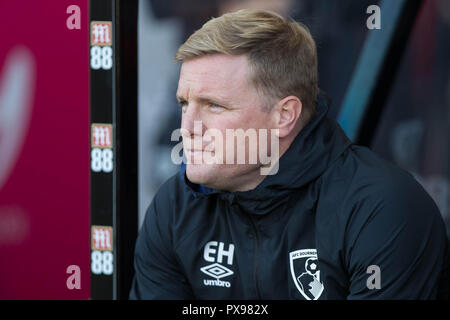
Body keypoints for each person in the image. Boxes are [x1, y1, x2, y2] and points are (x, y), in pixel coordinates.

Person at [130, 9, 448, 299]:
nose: (188, 127)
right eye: (184, 104)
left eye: (214, 105)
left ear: (284, 116)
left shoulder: (380, 209)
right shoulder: (174, 208)